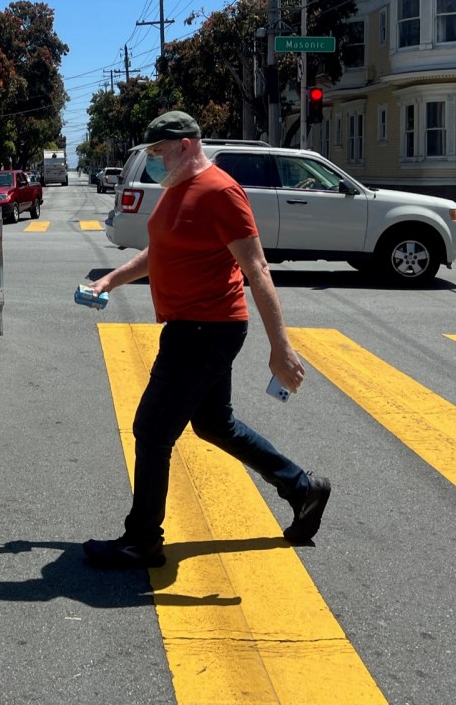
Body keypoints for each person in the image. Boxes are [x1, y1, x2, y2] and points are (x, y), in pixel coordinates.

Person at [82, 110, 331, 569]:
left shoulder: (220, 191)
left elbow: (257, 268)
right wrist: (110, 280)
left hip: (205, 330)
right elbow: (160, 252)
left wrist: (280, 347)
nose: (154, 161)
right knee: (215, 424)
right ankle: (302, 488)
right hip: (193, 326)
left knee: (152, 430)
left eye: (159, 152)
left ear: (186, 145)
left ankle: (141, 540)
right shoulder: (176, 189)